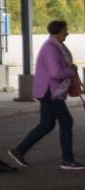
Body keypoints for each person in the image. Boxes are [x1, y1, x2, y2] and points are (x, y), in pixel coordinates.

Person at [9, 19, 85, 170]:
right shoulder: (51, 48)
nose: (67, 33)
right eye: (65, 30)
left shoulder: (55, 45)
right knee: (66, 121)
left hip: (48, 91)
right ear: (58, 32)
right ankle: (67, 160)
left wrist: (71, 69)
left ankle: (19, 151)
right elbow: (55, 72)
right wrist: (72, 71)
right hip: (50, 92)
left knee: (47, 124)